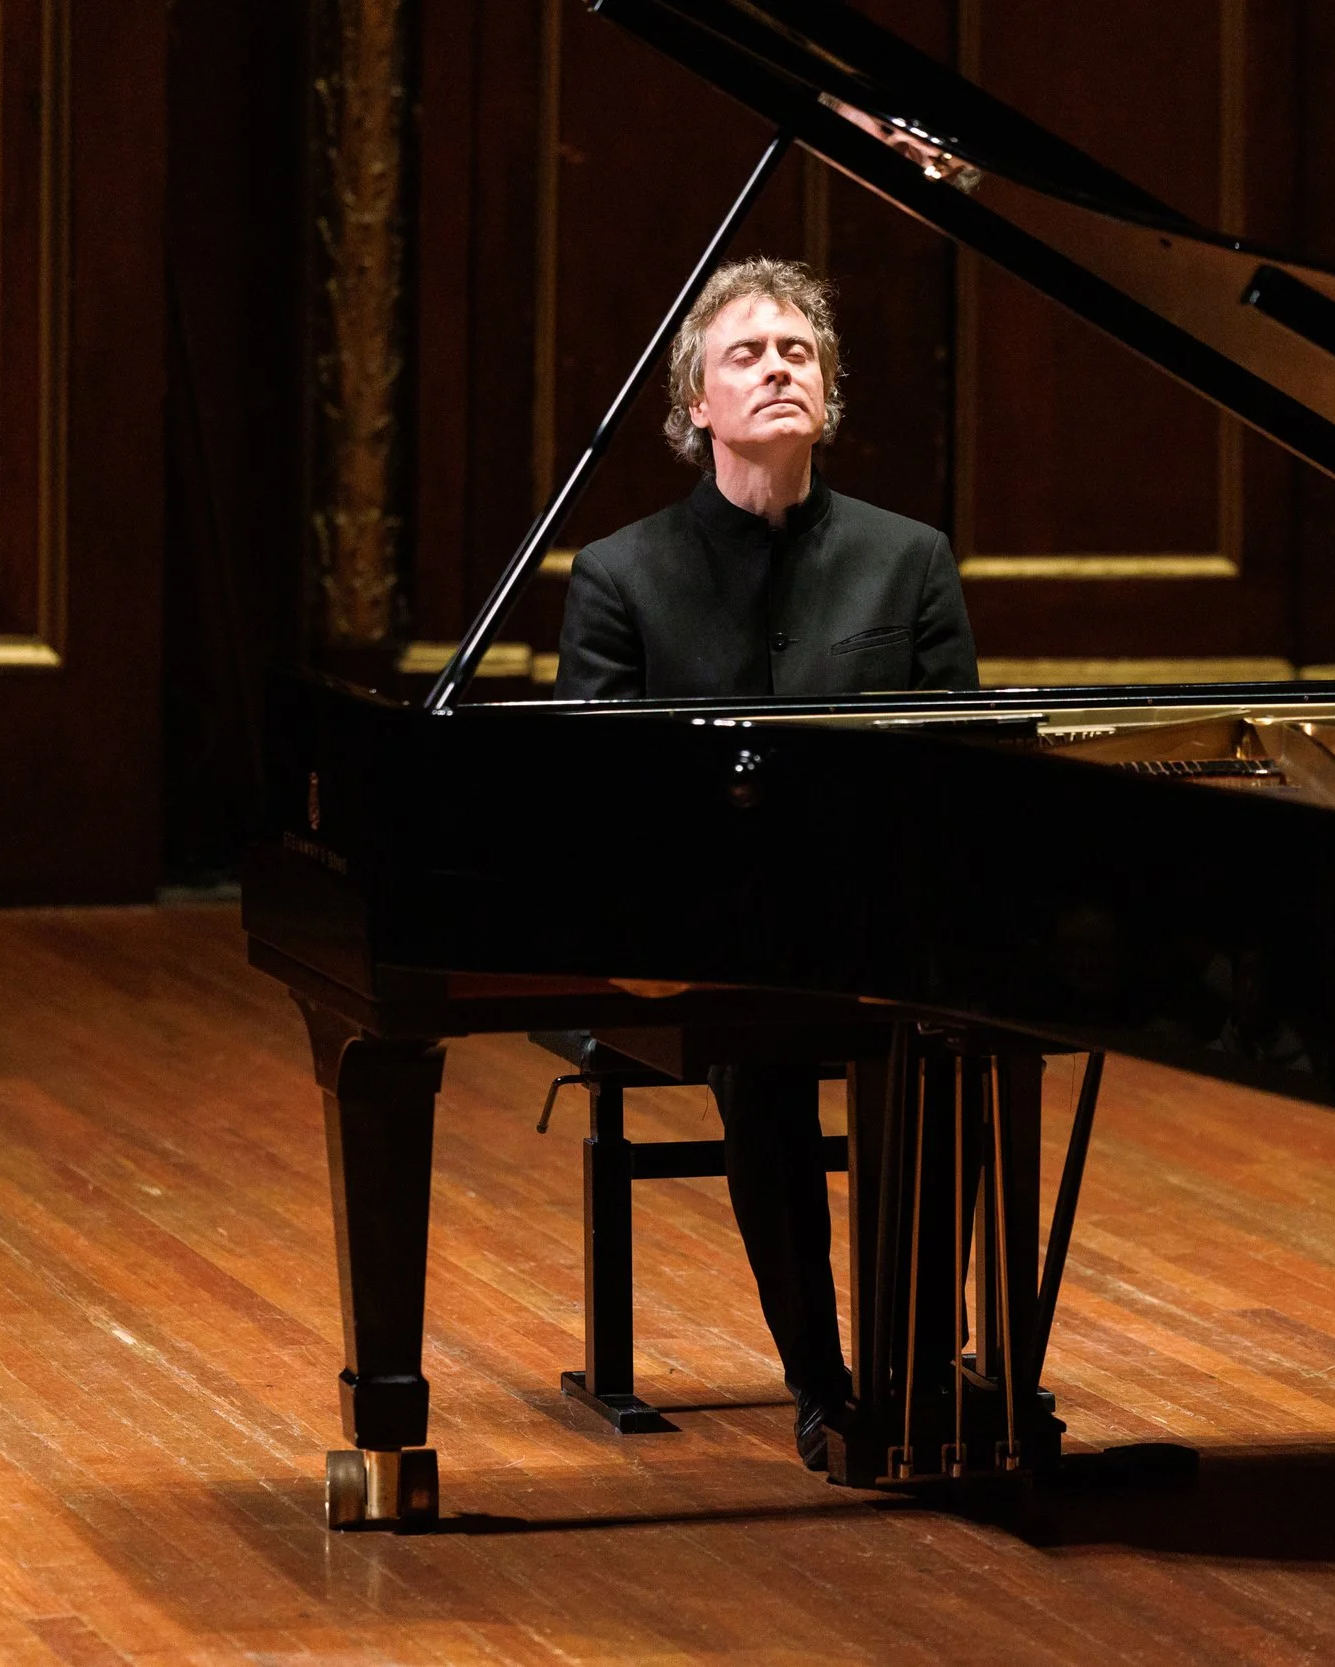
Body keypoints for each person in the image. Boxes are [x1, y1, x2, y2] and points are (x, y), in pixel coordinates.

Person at [555, 257, 977, 1467]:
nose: (779, 366)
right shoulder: (621, 573)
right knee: (761, 1053)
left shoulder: (909, 557)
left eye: (800, 352)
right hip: (701, 924)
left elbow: (962, 760)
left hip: (878, 911)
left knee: (956, 1040)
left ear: (827, 395)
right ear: (696, 403)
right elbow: (600, 793)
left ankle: (919, 1366)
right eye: (747, 352)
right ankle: (823, 1383)